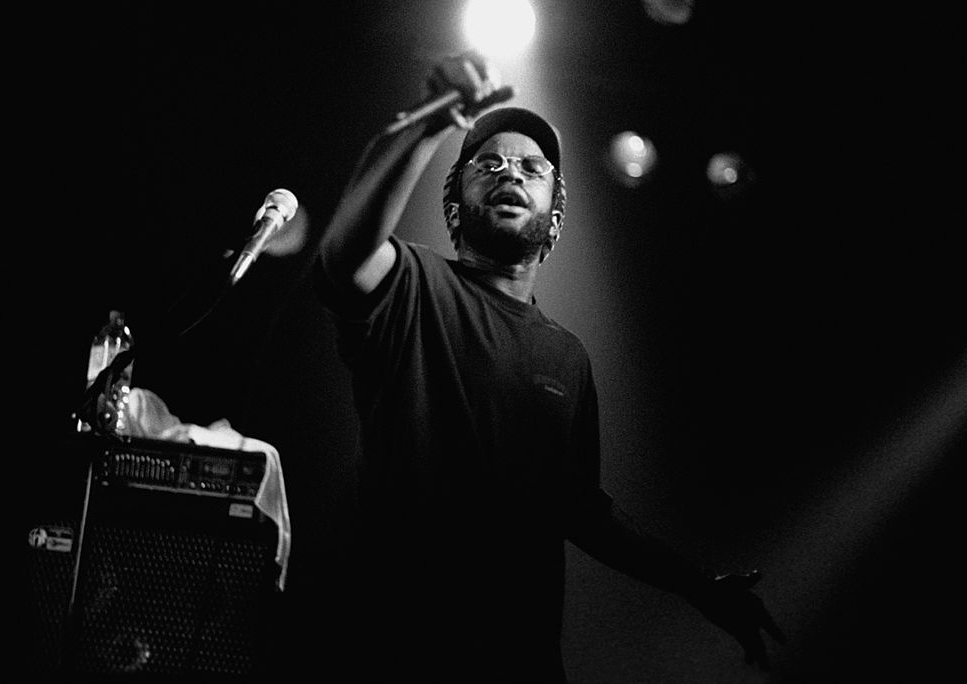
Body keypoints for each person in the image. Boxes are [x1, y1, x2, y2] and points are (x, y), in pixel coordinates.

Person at [310, 51, 784, 682]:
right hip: (396, 646)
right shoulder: (414, 283)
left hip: (520, 657)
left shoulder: (567, 356)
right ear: (454, 208)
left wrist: (696, 585)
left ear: (554, 219)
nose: (510, 173)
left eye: (532, 168)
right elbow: (345, 256)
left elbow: (582, 510)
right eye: (488, 164)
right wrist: (426, 125)